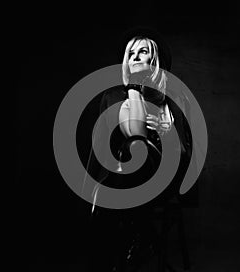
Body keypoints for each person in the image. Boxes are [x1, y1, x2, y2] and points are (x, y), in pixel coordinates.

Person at [80, 27, 192, 272]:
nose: (136, 57)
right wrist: (133, 89)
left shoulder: (174, 100)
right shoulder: (112, 98)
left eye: (144, 52)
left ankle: (121, 249)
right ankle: (139, 237)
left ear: (155, 61)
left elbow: (183, 155)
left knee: (135, 154)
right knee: (130, 154)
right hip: (121, 176)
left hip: (163, 179)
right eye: (131, 54)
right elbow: (110, 144)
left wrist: (166, 133)